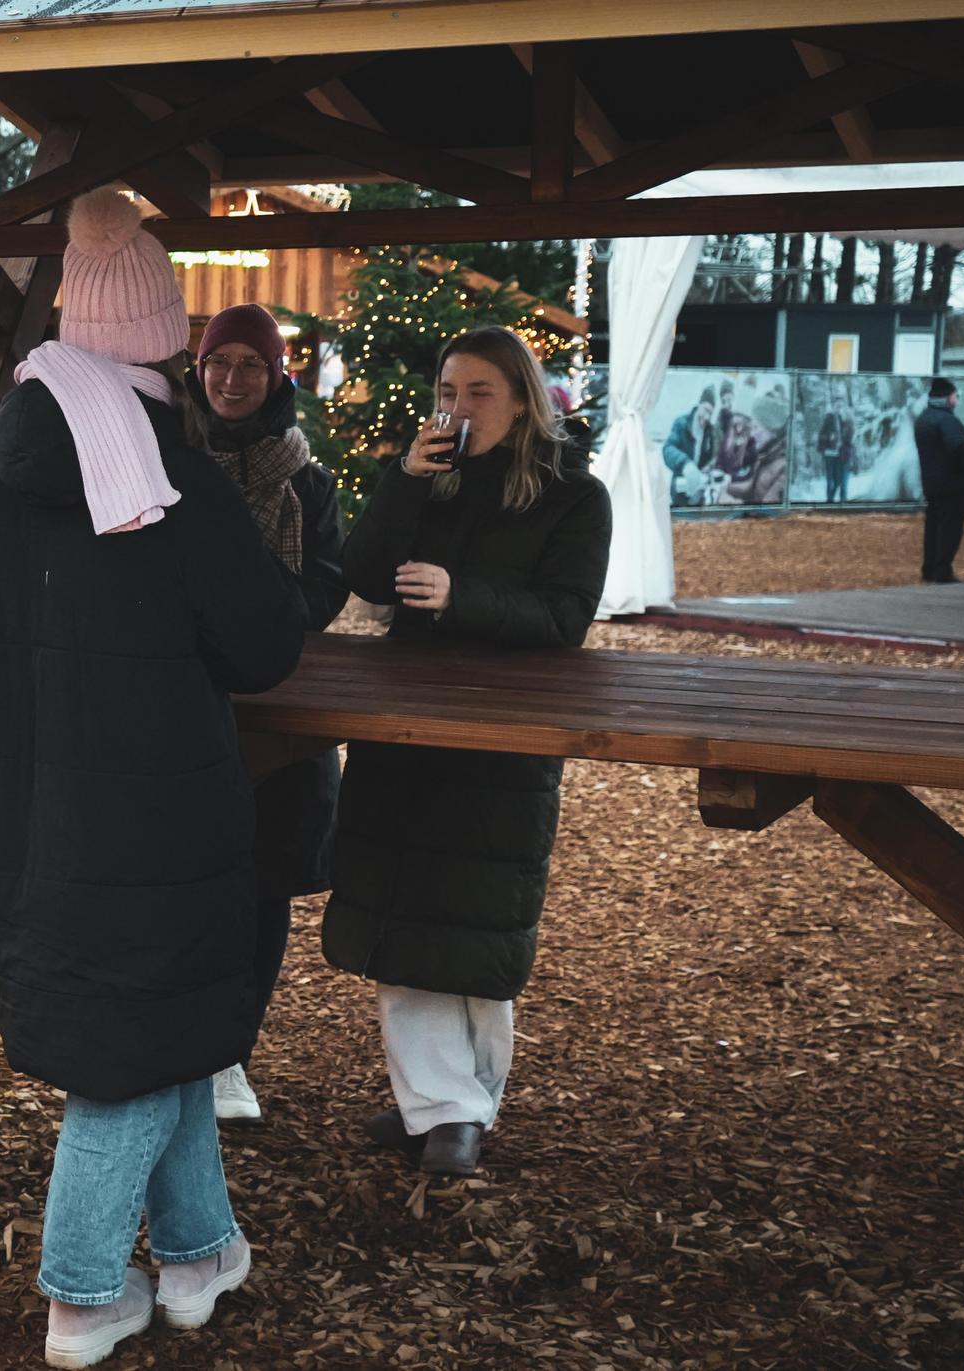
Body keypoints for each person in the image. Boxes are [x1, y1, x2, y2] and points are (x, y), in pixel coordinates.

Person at [0, 188, 306, 1368]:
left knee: (162, 1024)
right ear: (164, 343)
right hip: (158, 816)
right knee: (128, 1058)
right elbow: (266, 646)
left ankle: (199, 1251)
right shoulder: (166, 476)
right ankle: (84, 1291)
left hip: (30, 809)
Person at [323, 326, 612, 1178]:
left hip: (503, 732)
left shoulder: (574, 496)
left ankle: (464, 1104)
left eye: (479, 392)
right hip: (406, 723)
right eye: (448, 391)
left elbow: (565, 616)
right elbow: (363, 573)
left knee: (477, 918)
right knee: (401, 910)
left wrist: (462, 596)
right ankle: (435, 1102)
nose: (458, 408)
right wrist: (403, 482)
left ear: (523, 400)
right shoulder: (428, 479)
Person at [182, 303, 349, 1123]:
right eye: (220, 361)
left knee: (262, 883)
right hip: (183, 697)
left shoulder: (307, 481)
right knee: (181, 876)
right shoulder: (167, 459)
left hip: (280, 701)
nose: (233, 378)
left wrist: (261, 619)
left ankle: (230, 1057)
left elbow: (327, 584)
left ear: (278, 375)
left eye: (252, 363)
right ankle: (181, 1047)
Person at [914, 377, 964, 583]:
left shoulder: (923, 418)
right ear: (948, 398)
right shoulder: (947, 421)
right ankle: (943, 570)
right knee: (950, 530)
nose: (957, 400)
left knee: (932, 528)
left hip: (931, 484)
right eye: (955, 396)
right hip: (951, 484)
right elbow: (959, 449)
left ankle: (929, 569)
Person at [661, 386, 716, 501]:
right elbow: (668, 449)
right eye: (706, 410)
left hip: (699, 490)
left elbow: (712, 456)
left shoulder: (710, 431)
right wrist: (685, 464)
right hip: (680, 488)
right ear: (699, 404)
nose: (707, 417)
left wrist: (709, 466)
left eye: (711, 413)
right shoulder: (681, 424)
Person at [817, 391, 856, 504]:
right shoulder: (829, 418)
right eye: (837, 405)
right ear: (833, 406)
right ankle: (830, 500)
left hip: (842, 454)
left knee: (839, 479)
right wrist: (829, 438)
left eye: (841, 405)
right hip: (830, 453)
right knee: (831, 479)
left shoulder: (847, 420)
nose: (839, 407)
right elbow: (821, 435)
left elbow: (851, 438)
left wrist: (848, 426)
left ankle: (842, 500)